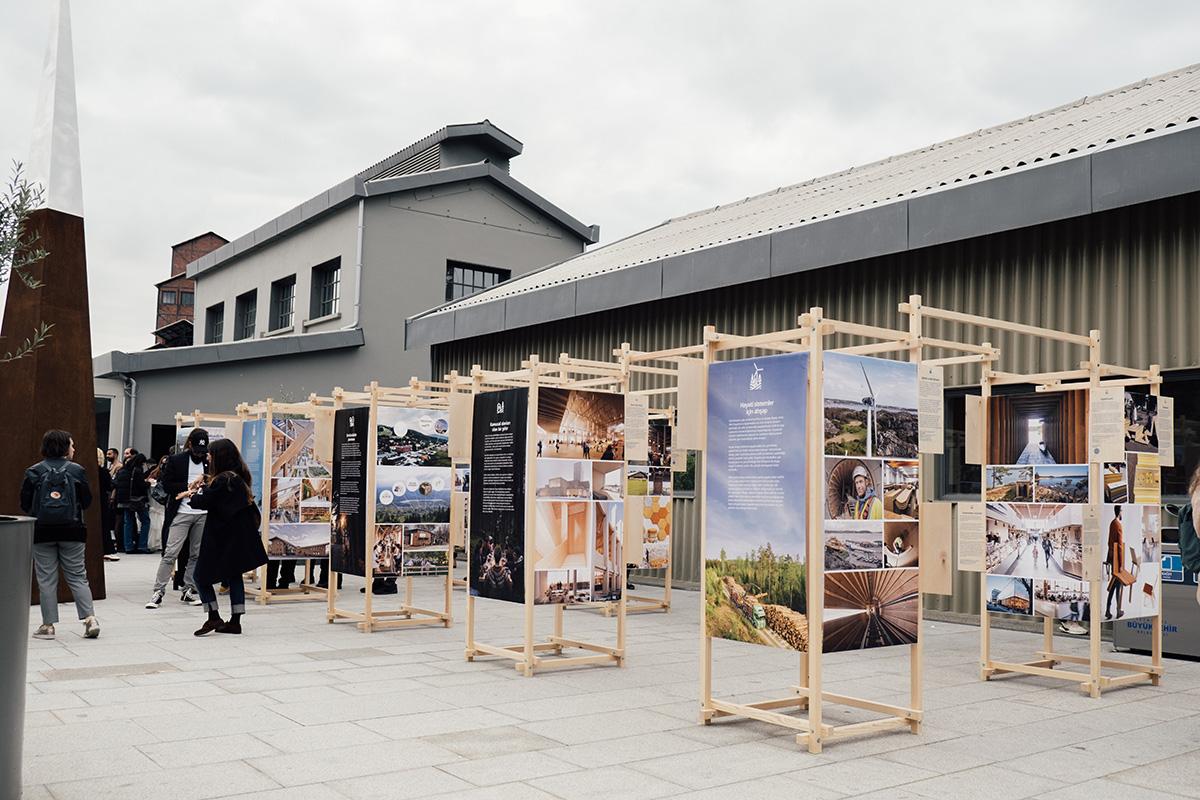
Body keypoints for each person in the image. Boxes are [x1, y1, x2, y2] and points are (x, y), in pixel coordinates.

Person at [20, 430, 100, 640]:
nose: (74, 449)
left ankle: (48, 626)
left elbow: (25, 504)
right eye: (72, 445)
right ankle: (89, 619)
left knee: (46, 579)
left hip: (42, 532)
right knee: (77, 576)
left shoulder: (34, 471)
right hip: (72, 531)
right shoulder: (77, 471)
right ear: (64, 448)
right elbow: (87, 501)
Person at [183, 438, 268, 636]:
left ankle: (213, 616)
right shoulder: (237, 477)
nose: (207, 456)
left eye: (211, 453)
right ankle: (235, 621)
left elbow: (204, 501)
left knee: (200, 576)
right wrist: (205, 479)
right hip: (238, 536)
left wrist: (192, 494)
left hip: (221, 536)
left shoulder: (223, 480)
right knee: (233, 575)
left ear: (219, 456)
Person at [147, 429, 210, 608]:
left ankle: (188, 589)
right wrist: (189, 486)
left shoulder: (208, 462)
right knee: (171, 553)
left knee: (196, 554)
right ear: (190, 444)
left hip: (202, 513)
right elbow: (166, 484)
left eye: (203, 451)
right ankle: (158, 591)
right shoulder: (177, 460)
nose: (200, 454)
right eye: (197, 450)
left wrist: (205, 482)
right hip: (181, 512)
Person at [115, 450, 152, 554]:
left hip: (124, 499)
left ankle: (128, 546)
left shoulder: (122, 470)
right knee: (145, 521)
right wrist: (148, 483)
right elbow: (141, 485)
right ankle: (142, 545)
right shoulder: (137, 470)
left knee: (128, 522)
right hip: (137, 499)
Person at [97, 448, 120, 562]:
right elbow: (109, 486)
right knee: (104, 525)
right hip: (101, 500)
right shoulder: (103, 471)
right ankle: (106, 549)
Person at [1105, 505, 1128, 620]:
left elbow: (1109, 543)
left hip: (1112, 557)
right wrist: (1121, 565)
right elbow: (1119, 545)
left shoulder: (1111, 523)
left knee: (1114, 586)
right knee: (1116, 586)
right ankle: (1115, 610)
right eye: (1122, 510)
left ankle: (1109, 610)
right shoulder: (1118, 524)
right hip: (1116, 560)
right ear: (1119, 512)